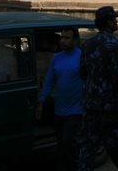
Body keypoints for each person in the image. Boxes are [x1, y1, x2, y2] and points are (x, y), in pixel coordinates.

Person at [77, 5, 118, 171]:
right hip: (110, 107)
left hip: (90, 105)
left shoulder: (88, 45)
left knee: (87, 152)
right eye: (114, 19)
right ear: (109, 23)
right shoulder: (114, 45)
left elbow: (82, 72)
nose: (116, 22)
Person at [36, 27, 83, 171]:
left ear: (75, 40)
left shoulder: (82, 57)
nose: (63, 41)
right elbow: (50, 81)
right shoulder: (56, 58)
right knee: (61, 145)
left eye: (67, 38)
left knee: (68, 142)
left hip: (76, 109)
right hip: (59, 110)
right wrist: (41, 102)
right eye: (62, 37)